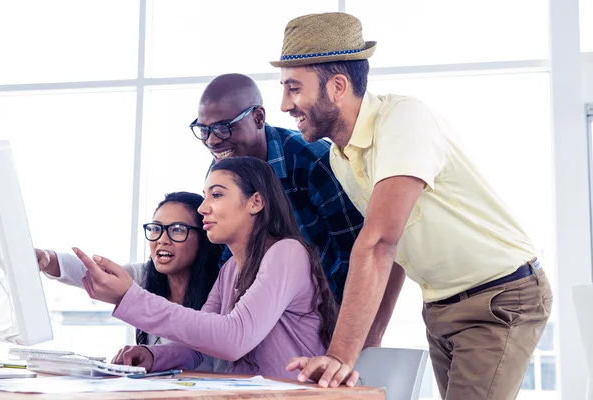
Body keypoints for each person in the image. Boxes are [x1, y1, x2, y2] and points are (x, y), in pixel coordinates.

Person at [270, 12, 553, 399]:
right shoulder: (341, 156)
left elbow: (378, 242)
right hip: (439, 307)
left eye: (293, 88)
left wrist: (339, 354)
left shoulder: (404, 120)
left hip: (499, 297)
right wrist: (369, 342)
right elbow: (394, 251)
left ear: (337, 86)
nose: (285, 104)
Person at [70, 156, 341, 380]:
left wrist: (129, 297)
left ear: (255, 202)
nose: (202, 208)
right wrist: (153, 356)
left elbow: (234, 338)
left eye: (217, 195)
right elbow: (198, 348)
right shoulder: (231, 270)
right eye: (204, 196)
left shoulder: (286, 253)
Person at [190, 73, 365, 305]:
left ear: (258, 118)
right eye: (204, 130)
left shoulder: (312, 161)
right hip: (261, 313)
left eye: (223, 128)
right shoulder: (220, 171)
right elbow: (229, 260)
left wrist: (336, 327)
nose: (212, 141)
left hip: (324, 312)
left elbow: (356, 254)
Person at [37, 192, 221, 370]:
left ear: (204, 238)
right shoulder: (144, 276)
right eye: (156, 228)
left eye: (178, 230)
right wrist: (48, 258)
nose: (162, 240)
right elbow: (90, 273)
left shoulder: (221, 289)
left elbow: (197, 351)